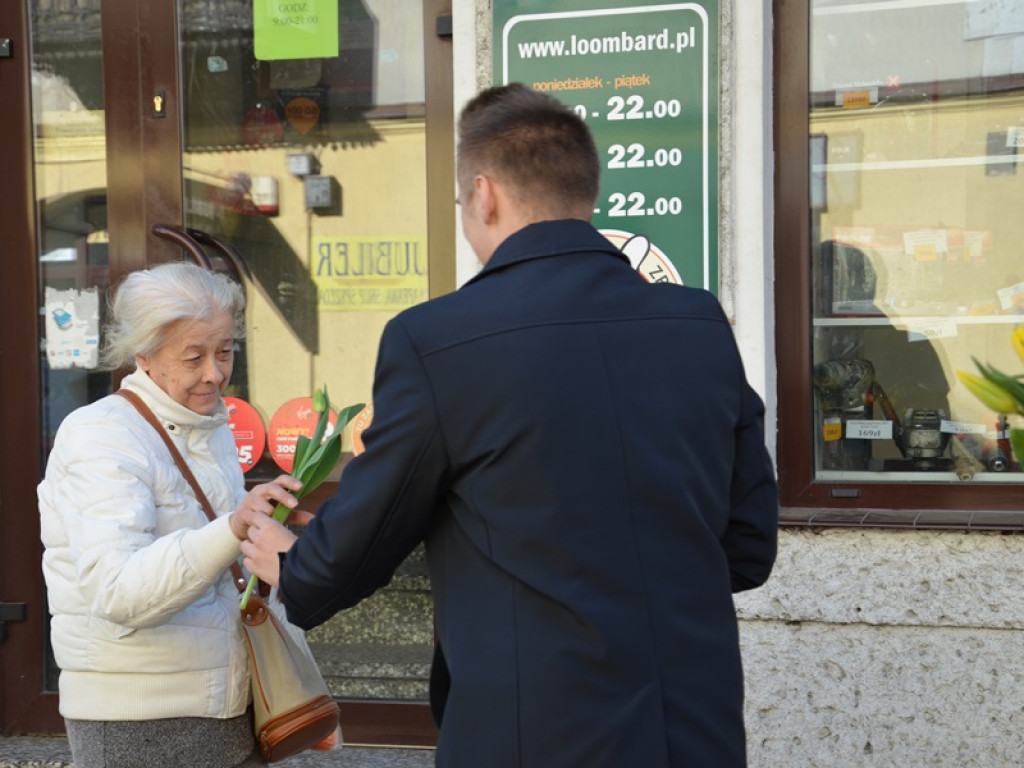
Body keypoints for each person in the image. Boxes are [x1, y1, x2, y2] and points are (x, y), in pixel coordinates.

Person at [239, 83, 779, 767]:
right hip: (692, 729)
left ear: (485, 195)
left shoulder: (436, 340)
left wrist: (294, 565)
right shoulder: (699, 326)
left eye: (463, 203)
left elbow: (370, 531)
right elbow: (749, 547)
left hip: (533, 734)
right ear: (584, 191)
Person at [37, 261, 307, 768]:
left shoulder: (208, 423)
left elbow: (219, 570)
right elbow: (118, 590)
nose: (215, 372)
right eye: (193, 356)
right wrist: (232, 528)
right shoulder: (101, 435)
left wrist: (268, 531)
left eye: (225, 351)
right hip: (138, 720)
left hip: (224, 703)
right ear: (144, 354)